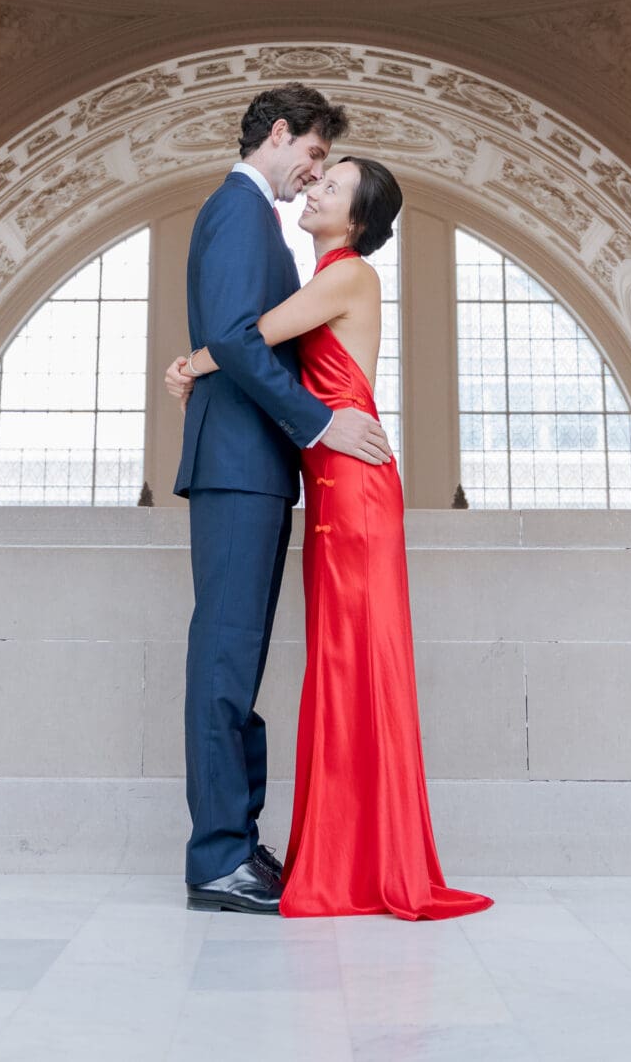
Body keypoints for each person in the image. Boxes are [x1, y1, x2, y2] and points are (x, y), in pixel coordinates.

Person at [169, 154, 491, 922]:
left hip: (354, 487)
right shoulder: (319, 277)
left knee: (356, 663)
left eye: (332, 185)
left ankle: (359, 861)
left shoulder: (345, 275)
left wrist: (190, 365)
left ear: (356, 222)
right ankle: (346, 855)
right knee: (340, 665)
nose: (315, 187)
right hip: (334, 487)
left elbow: (251, 337)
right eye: (317, 175)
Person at [172, 85, 394, 916]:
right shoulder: (239, 209)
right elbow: (235, 334)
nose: (314, 172)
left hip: (257, 469)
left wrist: (195, 361)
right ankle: (218, 858)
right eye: (313, 153)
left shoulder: (259, 220)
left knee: (239, 666)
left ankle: (236, 842)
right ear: (280, 134)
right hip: (239, 467)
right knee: (225, 665)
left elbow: (231, 341)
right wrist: (319, 422)